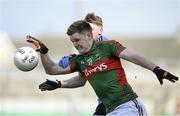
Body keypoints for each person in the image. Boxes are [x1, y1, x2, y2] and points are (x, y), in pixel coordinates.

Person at [26, 20, 178, 116]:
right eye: (73, 42)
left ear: (89, 36)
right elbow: (53, 70)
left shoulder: (107, 47)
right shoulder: (80, 61)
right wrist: (44, 52)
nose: (75, 44)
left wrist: (156, 69)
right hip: (110, 110)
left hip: (128, 107)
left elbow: (134, 56)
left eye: (77, 39)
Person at [58, 12, 108, 115]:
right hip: (105, 102)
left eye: (92, 29)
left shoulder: (107, 44)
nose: (88, 33)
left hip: (119, 102)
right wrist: (58, 84)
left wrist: (74, 58)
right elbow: (81, 80)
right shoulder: (86, 51)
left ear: (100, 30)